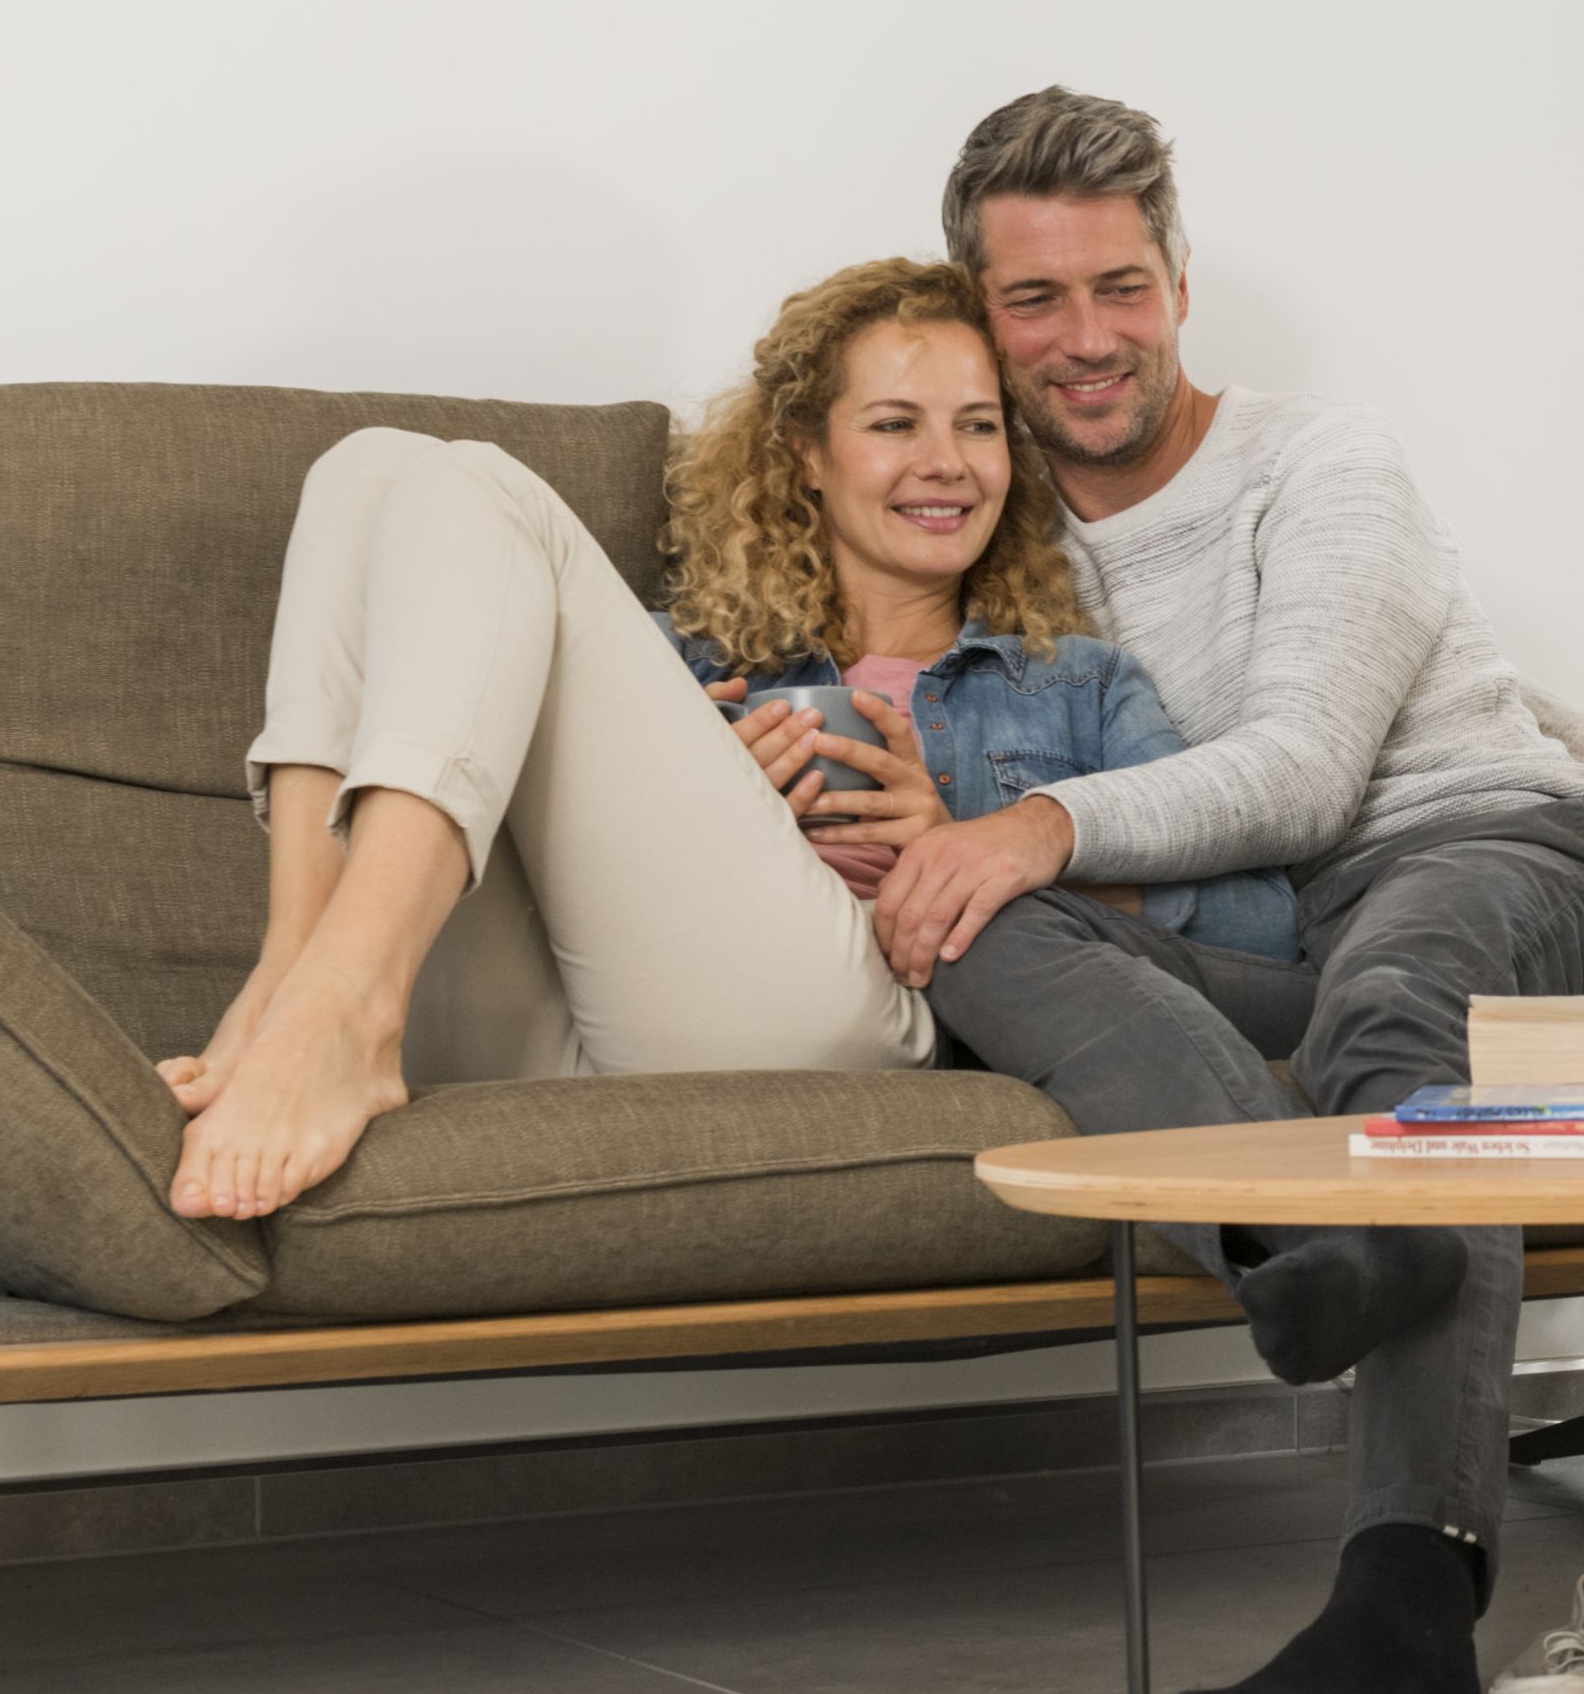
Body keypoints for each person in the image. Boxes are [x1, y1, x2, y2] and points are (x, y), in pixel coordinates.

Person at [851, 87, 1584, 1694]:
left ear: (1176, 281)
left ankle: (1409, 1596)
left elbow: (1305, 778)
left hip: (1509, 870)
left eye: (1120, 288)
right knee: (967, 930)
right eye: (1034, 301)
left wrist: (1033, 824)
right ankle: (1308, 1256)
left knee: (1394, 998)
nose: (1085, 339)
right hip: (1279, 941)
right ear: (982, 317)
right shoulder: (994, 527)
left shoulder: (1318, 461)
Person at [164, 259, 1283, 1221]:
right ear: (806, 450)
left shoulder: (1073, 682)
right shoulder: (672, 662)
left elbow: (1262, 920)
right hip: (570, 1014)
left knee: (471, 481)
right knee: (364, 463)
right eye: (895, 422)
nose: (946, 462)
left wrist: (981, 847)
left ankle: (337, 1006)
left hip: (850, 1022)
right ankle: (296, 979)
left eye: (978, 425)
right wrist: (692, 805)